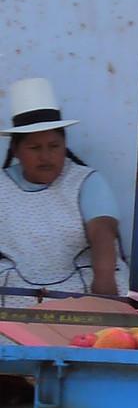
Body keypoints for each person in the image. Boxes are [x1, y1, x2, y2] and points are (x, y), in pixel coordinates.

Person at [0, 77, 126, 298]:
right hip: (14, 298)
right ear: (16, 150)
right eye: (34, 148)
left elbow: (103, 233)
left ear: (65, 145)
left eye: (54, 146)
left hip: (83, 294)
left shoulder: (86, 182)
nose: (45, 156)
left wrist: (104, 280)